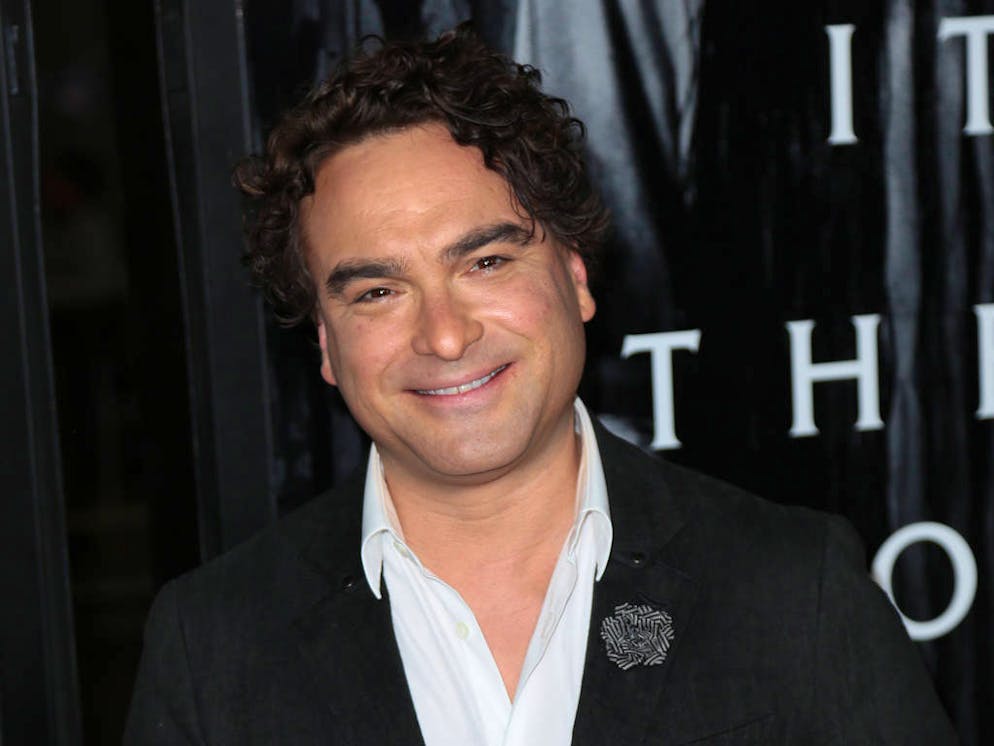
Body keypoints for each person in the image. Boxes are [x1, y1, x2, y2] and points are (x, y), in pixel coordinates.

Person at [125, 25, 957, 745]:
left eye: (486, 262)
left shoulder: (795, 591)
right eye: (377, 291)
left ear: (576, 277)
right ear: (326, 344)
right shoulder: (213, 645)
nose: (444, 334)